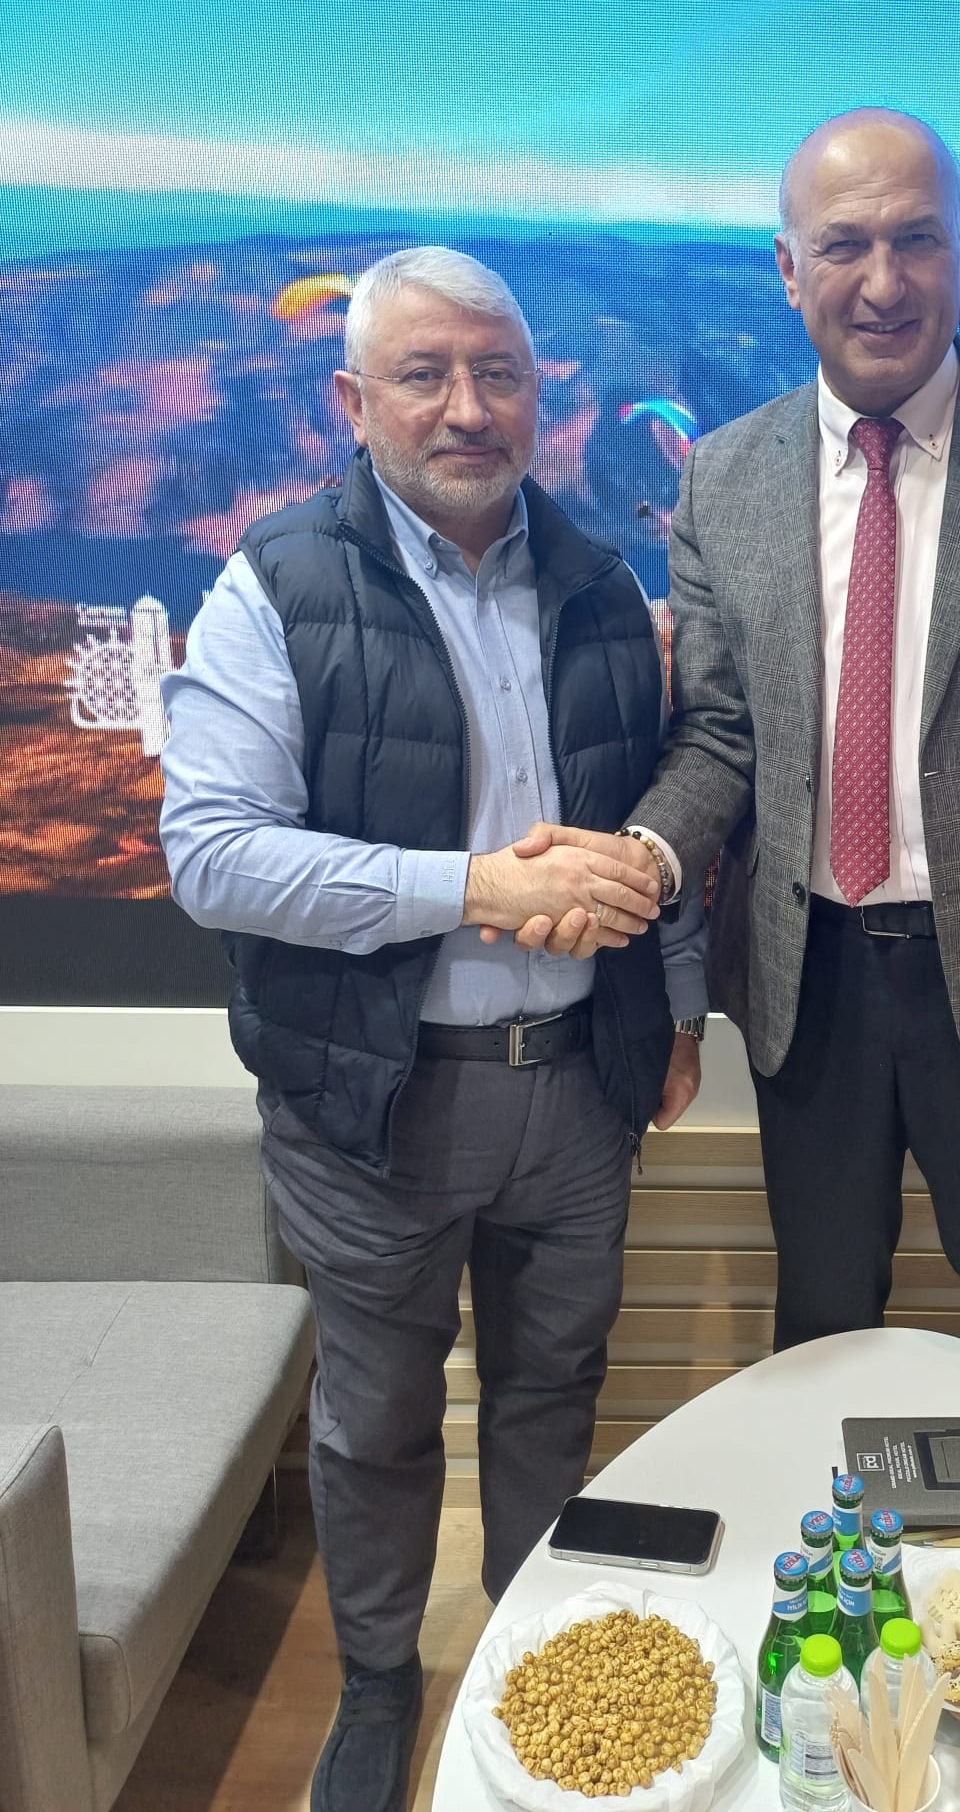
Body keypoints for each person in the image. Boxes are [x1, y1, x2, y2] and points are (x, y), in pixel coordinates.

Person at [520, 110, 960, 1505]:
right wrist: (646, 855)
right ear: (789, 269)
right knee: (822, 1335)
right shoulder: (727, 476)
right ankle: (836, 1602)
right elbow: (722, 732)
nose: (882, 282)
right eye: (845, 245)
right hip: (809, 982)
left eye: (914, 240)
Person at [159, 247, 706, 1812]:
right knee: (377, 1422)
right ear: (354, 401)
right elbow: (213, 856)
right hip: (373, 1105)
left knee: (553, 1392)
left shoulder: (603, 587)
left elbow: (649, 828)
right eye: (424, 374)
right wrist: (468, 888)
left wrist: (676, 1008)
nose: (467, 408)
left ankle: (534, 1660)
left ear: (539, 397)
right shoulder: (275, 585)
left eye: (498, 375)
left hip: (577, 1093)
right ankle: (381, 1680)